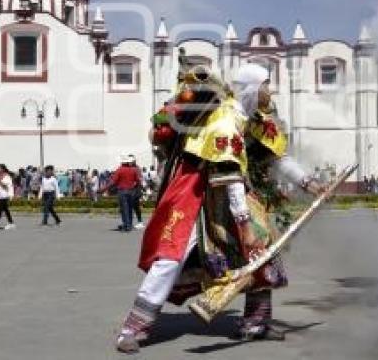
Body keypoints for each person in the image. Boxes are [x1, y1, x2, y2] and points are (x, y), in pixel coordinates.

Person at [114, 62, 323, 352]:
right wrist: (244, 227)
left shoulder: (253, 119)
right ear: (253, 87)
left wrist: (310, 185)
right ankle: (132, 329)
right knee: (172, 258)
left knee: (262, 250)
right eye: (267, 84)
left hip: (230, 191)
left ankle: (255, 323)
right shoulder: (225, 122)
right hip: (197, 193)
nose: (271, 90)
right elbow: (230, 177)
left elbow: (276, 157)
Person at [105, 155, 144, 232]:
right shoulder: (134, 170)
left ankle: (126, 225)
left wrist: (103, 189)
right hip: (132, 191)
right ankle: (129, 224)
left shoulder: (119, 170)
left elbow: (113, 182)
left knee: (124, 209)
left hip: (122, 191)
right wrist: (139, 189)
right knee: (130, 209)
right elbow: (138, 181)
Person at [0, 164, 16, 230]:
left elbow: (7, 187)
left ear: (3, 169)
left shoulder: (7, 177)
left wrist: (0, 182)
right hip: (0, 195)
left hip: (5, 195)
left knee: (0, 210)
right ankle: (11, 223)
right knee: (6, 210)